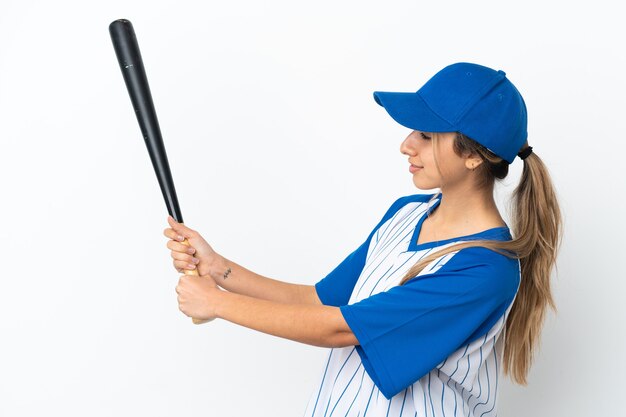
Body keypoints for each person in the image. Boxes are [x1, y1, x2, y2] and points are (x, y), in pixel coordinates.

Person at [163, 62, 562, 416]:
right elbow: (318, 300)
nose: (406, 144)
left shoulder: (485, 268)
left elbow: (338, 328)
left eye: (426, 134)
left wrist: (216, 303)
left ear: (474, 155)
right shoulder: (407, 213)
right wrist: (219, 269)